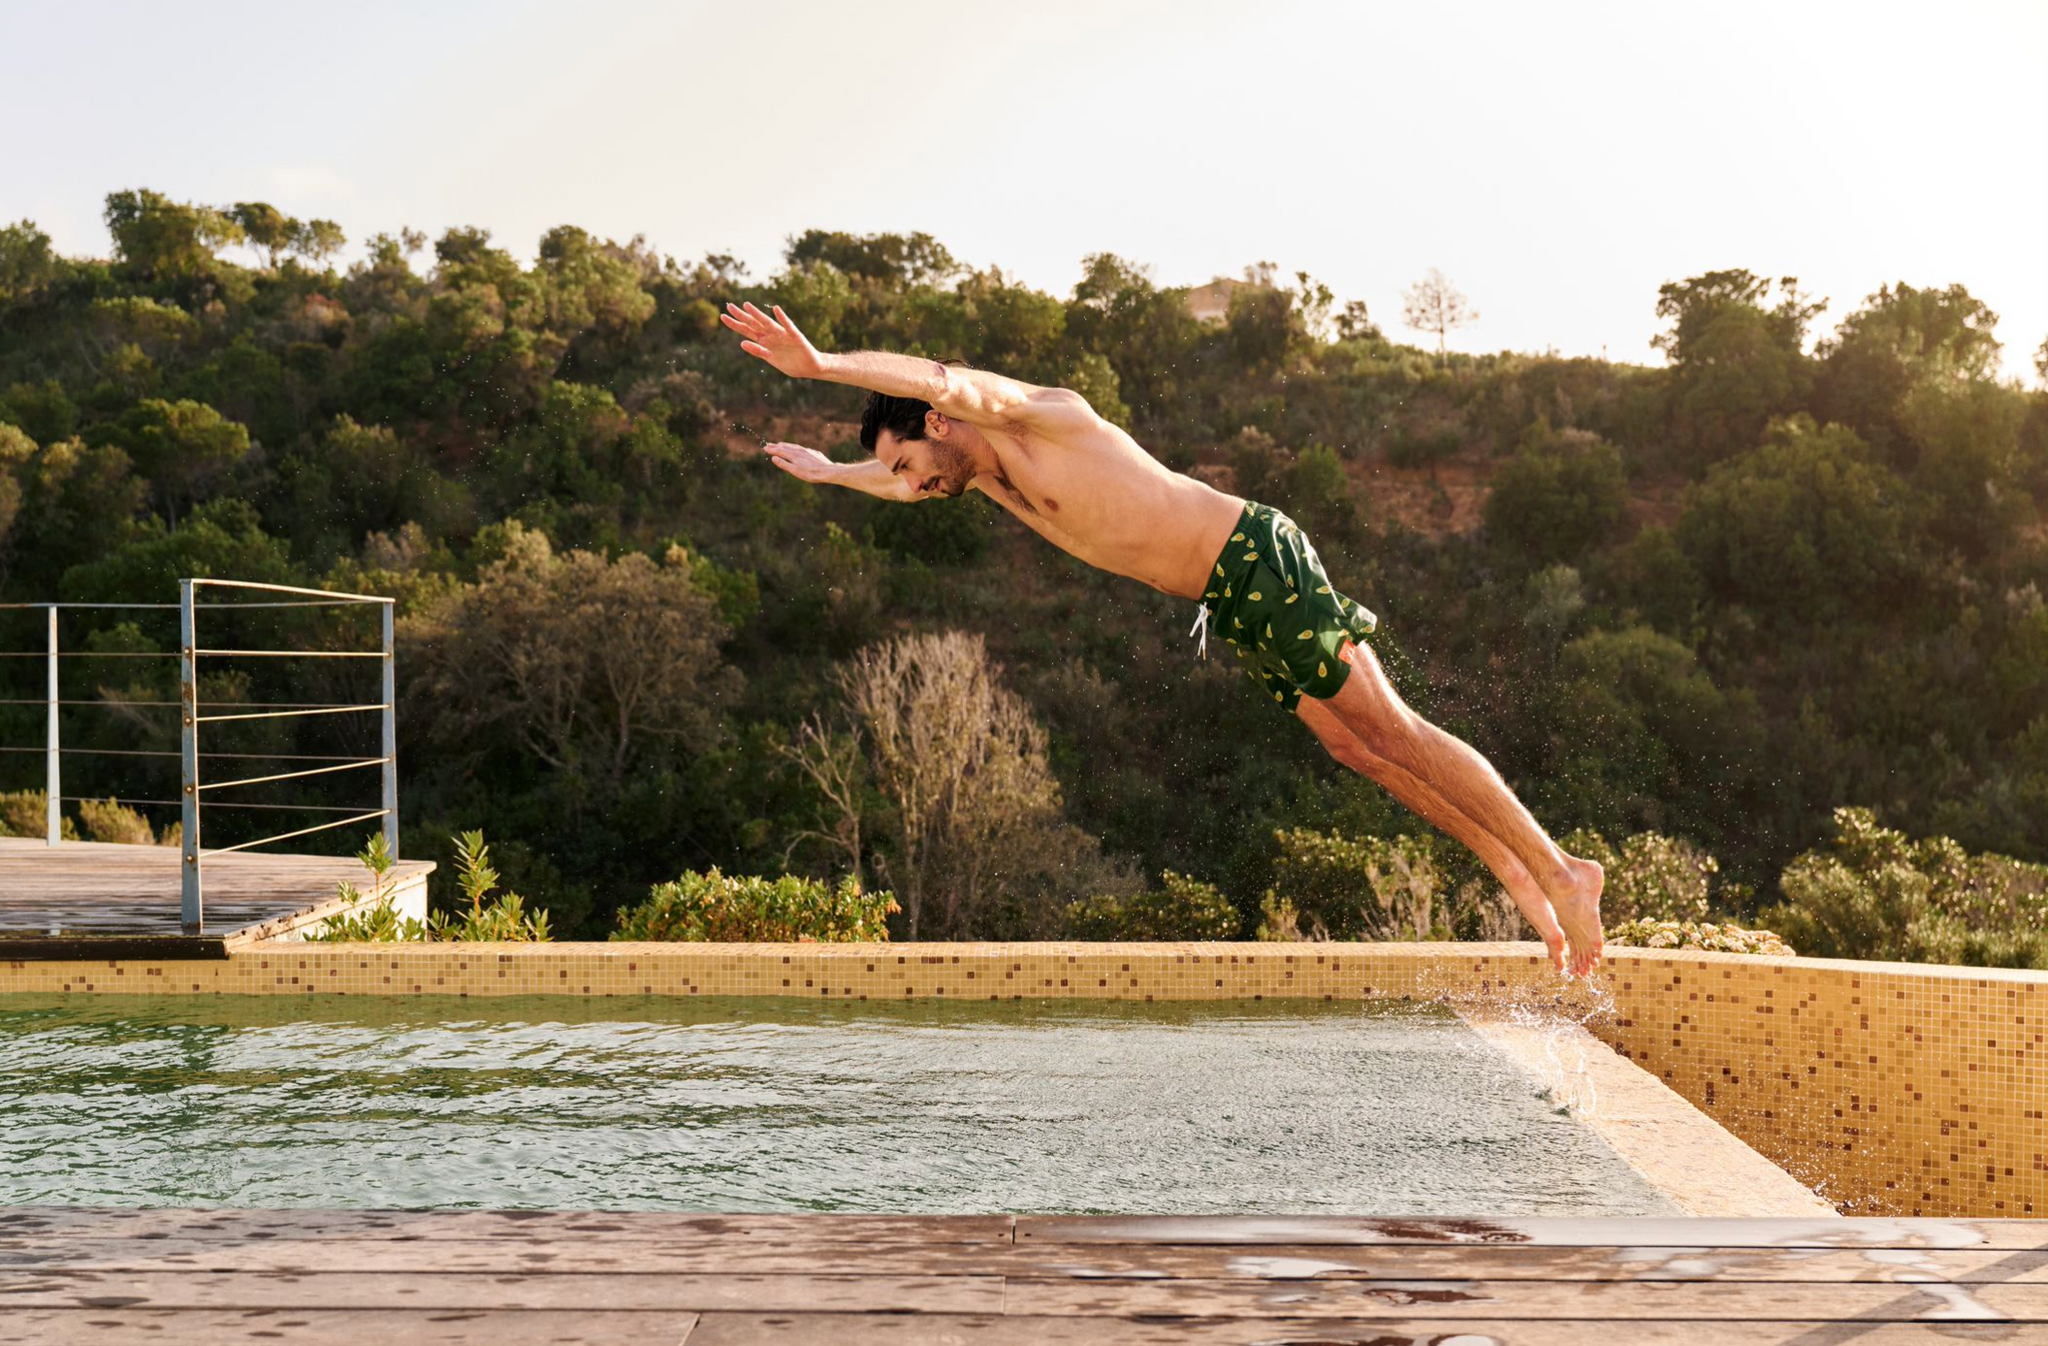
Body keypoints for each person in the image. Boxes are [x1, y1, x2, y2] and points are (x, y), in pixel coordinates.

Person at [719, 301, 1604, 975]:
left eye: (907, 460)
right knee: (1356, 749)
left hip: (1255, 556)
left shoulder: (1029, 415)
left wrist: (822, 365)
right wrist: (836, 474)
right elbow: (899, 485)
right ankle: (1516, 871)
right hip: (1229, 596)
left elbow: (944, 378)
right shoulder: (986, 482)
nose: (910, 484)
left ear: (938, 426)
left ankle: (1564, 871)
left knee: (1392, 728)